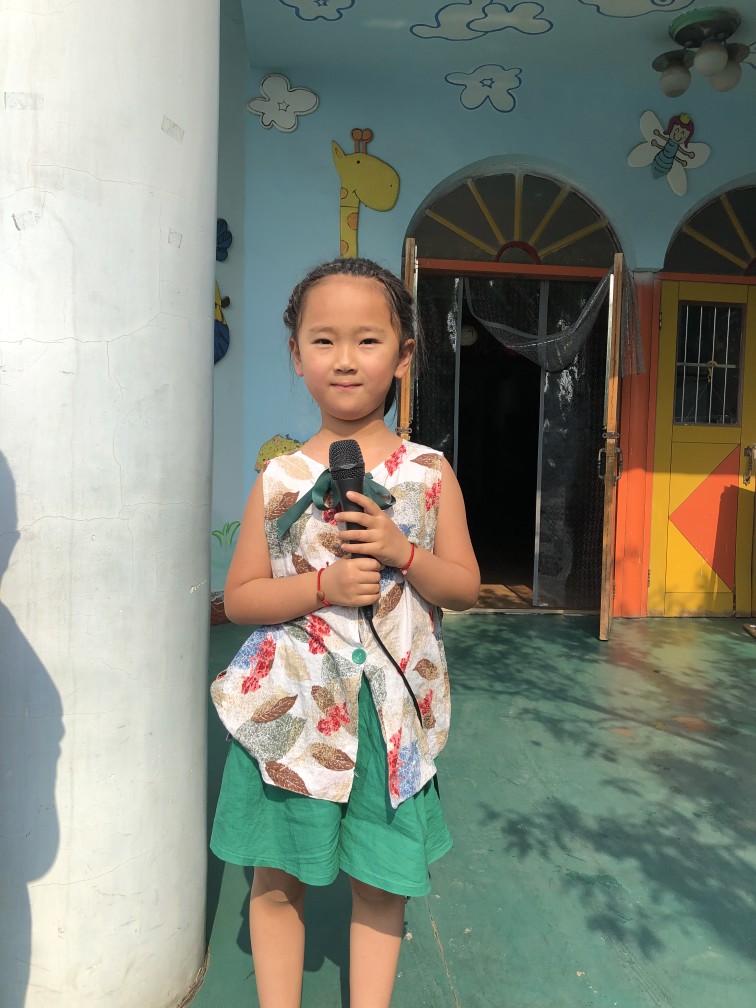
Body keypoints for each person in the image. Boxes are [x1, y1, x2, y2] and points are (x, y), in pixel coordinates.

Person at [210, 256, 480, 1008]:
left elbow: (464, 587)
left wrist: (404, 553)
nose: (345, 359)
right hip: (292, 717)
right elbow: (241, 598)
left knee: (382, 885)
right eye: (323, 340)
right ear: (296, 357)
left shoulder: (429, 473)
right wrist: (321, 587)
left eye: (368, 340)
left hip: (389, 722)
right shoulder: (278, 481)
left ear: (404, 356)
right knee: (276, 880)